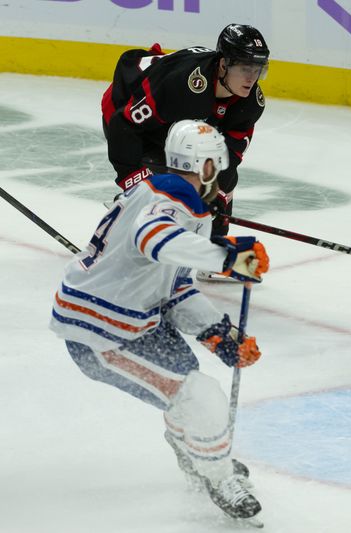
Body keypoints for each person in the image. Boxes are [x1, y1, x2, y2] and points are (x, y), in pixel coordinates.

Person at [50, 120, 270, 520]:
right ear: (205, 167)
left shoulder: (170, 194)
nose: (219, 178)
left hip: (131, 319)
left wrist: (218, 333)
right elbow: (152, 239)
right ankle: (218, 475)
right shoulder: (175, 196)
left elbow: (174, 286)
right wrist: (226, 256)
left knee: (189, 381)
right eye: (217, 168)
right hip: (102, 332)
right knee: (201, 398)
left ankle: (196, 452)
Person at [101, 23, 269, 241]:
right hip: (124, 106)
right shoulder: (183, 85)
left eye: (257, 69)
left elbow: (229, 158)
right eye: (244, 69)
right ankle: (121, 222)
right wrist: (133, 183)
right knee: (163, 181)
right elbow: (123, 126)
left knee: (220, 180)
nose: (251, 78)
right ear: (223, 65)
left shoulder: (251, 104)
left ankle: (216, 243)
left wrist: (216, 201)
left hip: (176, 122)